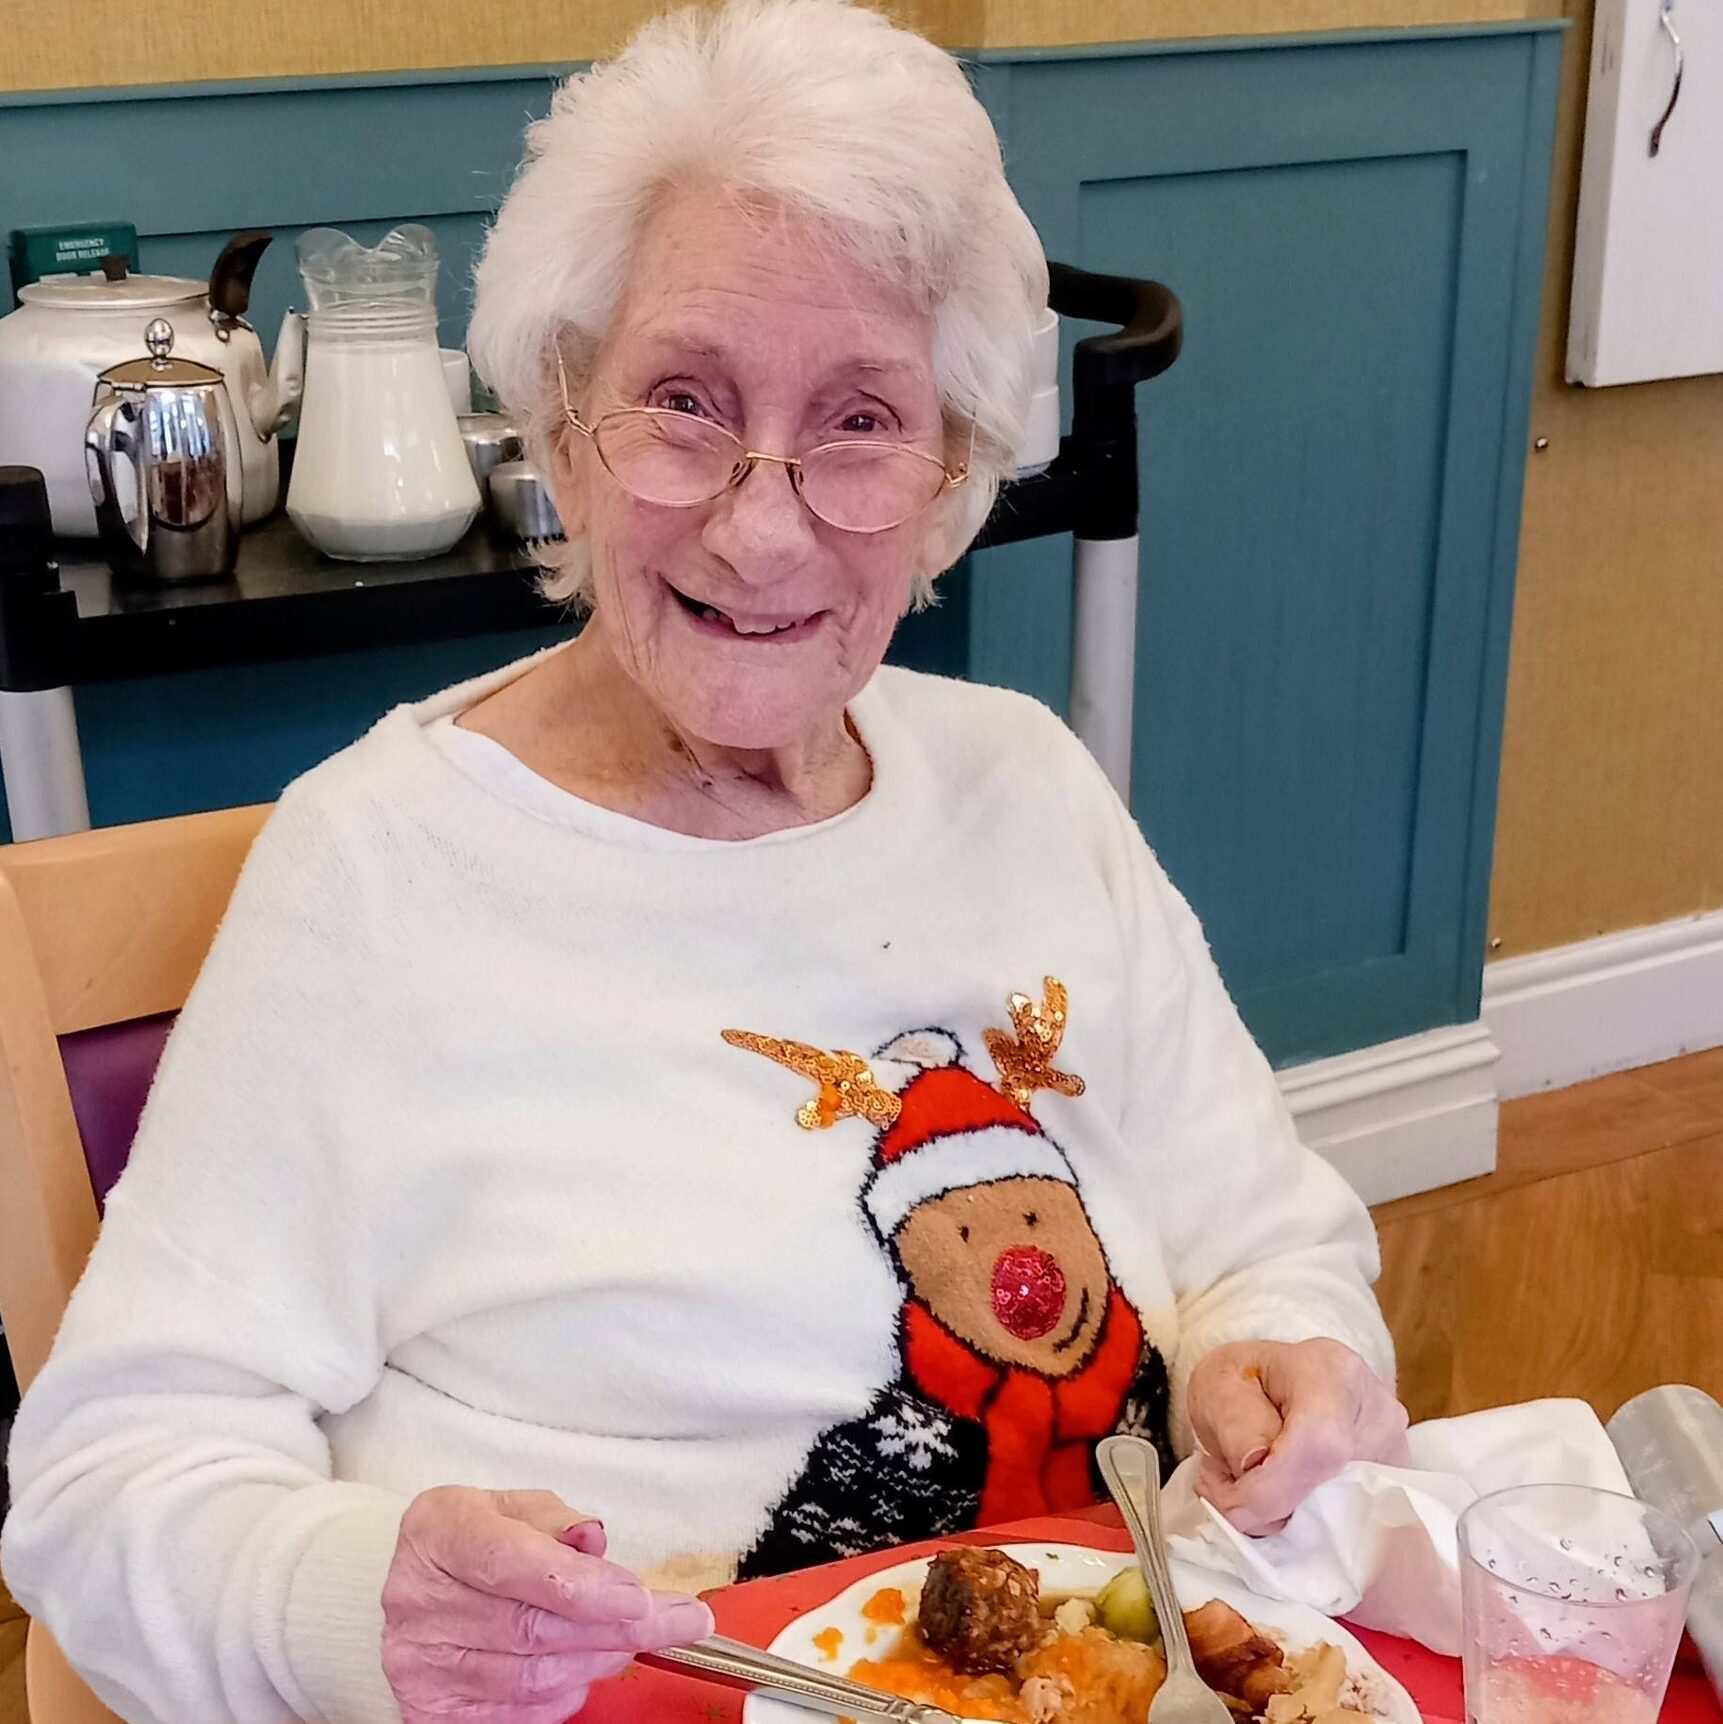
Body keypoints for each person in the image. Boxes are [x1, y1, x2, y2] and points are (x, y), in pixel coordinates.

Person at [1, 2, 1409, 1720]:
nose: (760, 524)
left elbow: (1274, 1240)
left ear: (956, 466)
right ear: (561, 416)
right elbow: (106, 1483)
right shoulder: (382, 871)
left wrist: (1290, 1357)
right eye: (683, 402)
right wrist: (354, 1602)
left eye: (862, 421)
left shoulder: (1027, 783)